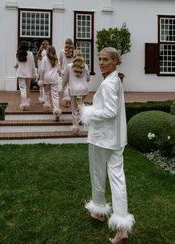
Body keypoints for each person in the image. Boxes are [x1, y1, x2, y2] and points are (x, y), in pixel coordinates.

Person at [80, 47, 135, 244]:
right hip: (117, 139)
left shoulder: (109, 84)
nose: (101, 62)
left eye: (105, 59)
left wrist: (89, 112)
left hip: (102, 138)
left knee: (97, 174)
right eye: (99, 59)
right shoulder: (116, 80)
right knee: (118, 179)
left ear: (115, 61)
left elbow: (110, 111)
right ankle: (121, 230)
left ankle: (100, 211)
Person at [62, 49, 90, 135]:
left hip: (74, 89)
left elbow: (65, 79)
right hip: (84, 89)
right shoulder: (85, 66)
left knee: (74, 108)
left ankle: (75, 125)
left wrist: (63, 86)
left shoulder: (70, 66)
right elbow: (88, 78)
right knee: (81, 105)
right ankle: (82, 119)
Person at [39, 45, 61, 121]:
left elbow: (42, 69)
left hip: (46, 78)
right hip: (54, 78)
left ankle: (47, 107)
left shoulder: (44, 58)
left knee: (46, 93)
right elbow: (59, 70)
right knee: (55, 95)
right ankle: (56, 111)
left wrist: (41, 79)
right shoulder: (56, 59)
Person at [15, 40, 37, 111]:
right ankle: (26, 102)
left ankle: (24, 104)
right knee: (27, 88)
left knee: (22, 89)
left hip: (21, 73)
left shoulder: (17, 53)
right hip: (28, 73)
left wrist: (16, 66)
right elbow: (33, 64)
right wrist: (34, 73)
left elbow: (16, 64)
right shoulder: (30, 54)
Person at [59, 38, 74, 107]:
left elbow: (60, 62)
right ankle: (70, 101)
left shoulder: (62, 51)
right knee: (71, 86)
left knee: (65, 87)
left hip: (64, 71)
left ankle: (67, 102)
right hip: (72, 70)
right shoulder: (74, 51)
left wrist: (60, 70)